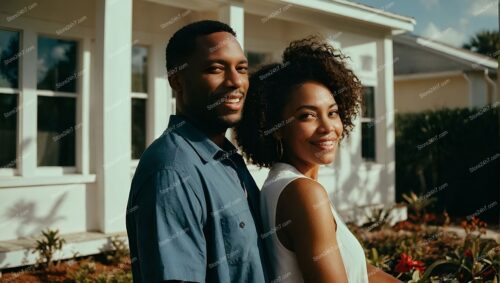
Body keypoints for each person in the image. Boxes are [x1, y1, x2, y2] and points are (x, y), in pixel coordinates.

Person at [235, 36, 400, 282]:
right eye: (307, 116)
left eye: (332, 113)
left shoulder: (287, 184)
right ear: (277, 127)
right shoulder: (302, 192)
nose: (327, 127)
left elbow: (367, 273)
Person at [126, 20, 269, 283]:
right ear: (177, 81)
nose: (236, 81)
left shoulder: (225, 157)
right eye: (216, 68)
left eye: (242, 68)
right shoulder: (171, 172)